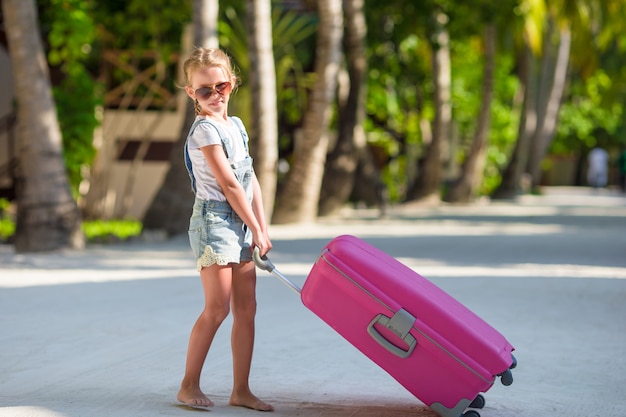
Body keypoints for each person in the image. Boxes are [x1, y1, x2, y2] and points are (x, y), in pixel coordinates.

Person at [177, 47, 273, 412]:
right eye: (204, 90)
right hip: (214, 222)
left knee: (246, 308)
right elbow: (229, 185)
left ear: (232, 84)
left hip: (242, 220)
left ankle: (241, 390)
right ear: (191, 94)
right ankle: (188, 385)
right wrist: (255, 227)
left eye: (221, 86)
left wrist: (261, 229)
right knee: (217, 309)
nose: (214, 95)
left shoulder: (236, 126)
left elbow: (250, 182)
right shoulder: (204, 130)